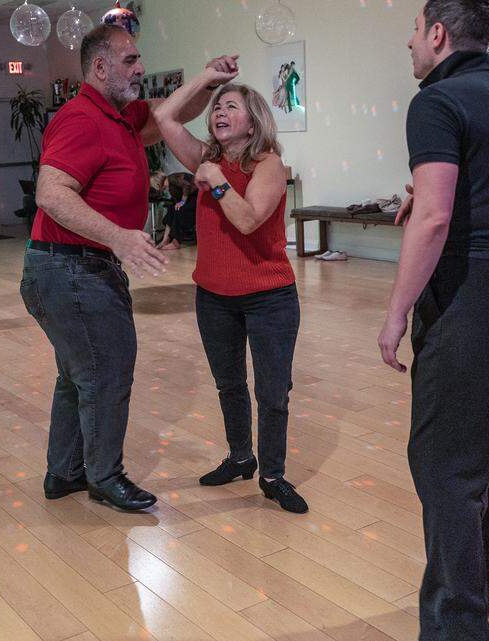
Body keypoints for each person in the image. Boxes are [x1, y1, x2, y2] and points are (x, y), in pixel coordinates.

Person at [377, 1, 489, 638]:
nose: (411, 42)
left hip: (472, 290)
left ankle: (457, 627)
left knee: (445, 465)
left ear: (439, 33)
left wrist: (395, 314)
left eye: (416, 30)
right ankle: (475, 604)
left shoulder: (434, 102)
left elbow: (436, 218)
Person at [21, 24, 236, 511]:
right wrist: (118, 237)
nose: (140, 69)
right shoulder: (81, 118)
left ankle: (65, 472)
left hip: (73, 267)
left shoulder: (121, 115)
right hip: (70, 268)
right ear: (100, 67)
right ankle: (104, 476)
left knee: (77, 375)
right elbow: (51, 194)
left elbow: (172, 113)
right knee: (107, 372)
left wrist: (208, 79)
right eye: (131, 60)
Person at [154, 74, 307, 513]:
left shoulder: (268, 165)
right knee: (229, 384)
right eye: (216, 107)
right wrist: (206, 79)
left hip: (269, 297)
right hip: (214, 296)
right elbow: (164, 115)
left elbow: (247, 219)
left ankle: (273, 475)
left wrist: (216, 179)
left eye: (231, 106)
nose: (220, 112)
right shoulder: (206, 157)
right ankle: (241, 457)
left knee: (272, 392)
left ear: (253, 119)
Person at [157, 172, 197, 250]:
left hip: (196, 196)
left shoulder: (172, 179)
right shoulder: (170, 186)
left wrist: (182, 202)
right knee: (171, 209)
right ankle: (166, 239)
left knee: (180, 210)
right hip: (189, 197)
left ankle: (176, 242)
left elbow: (187, 185)